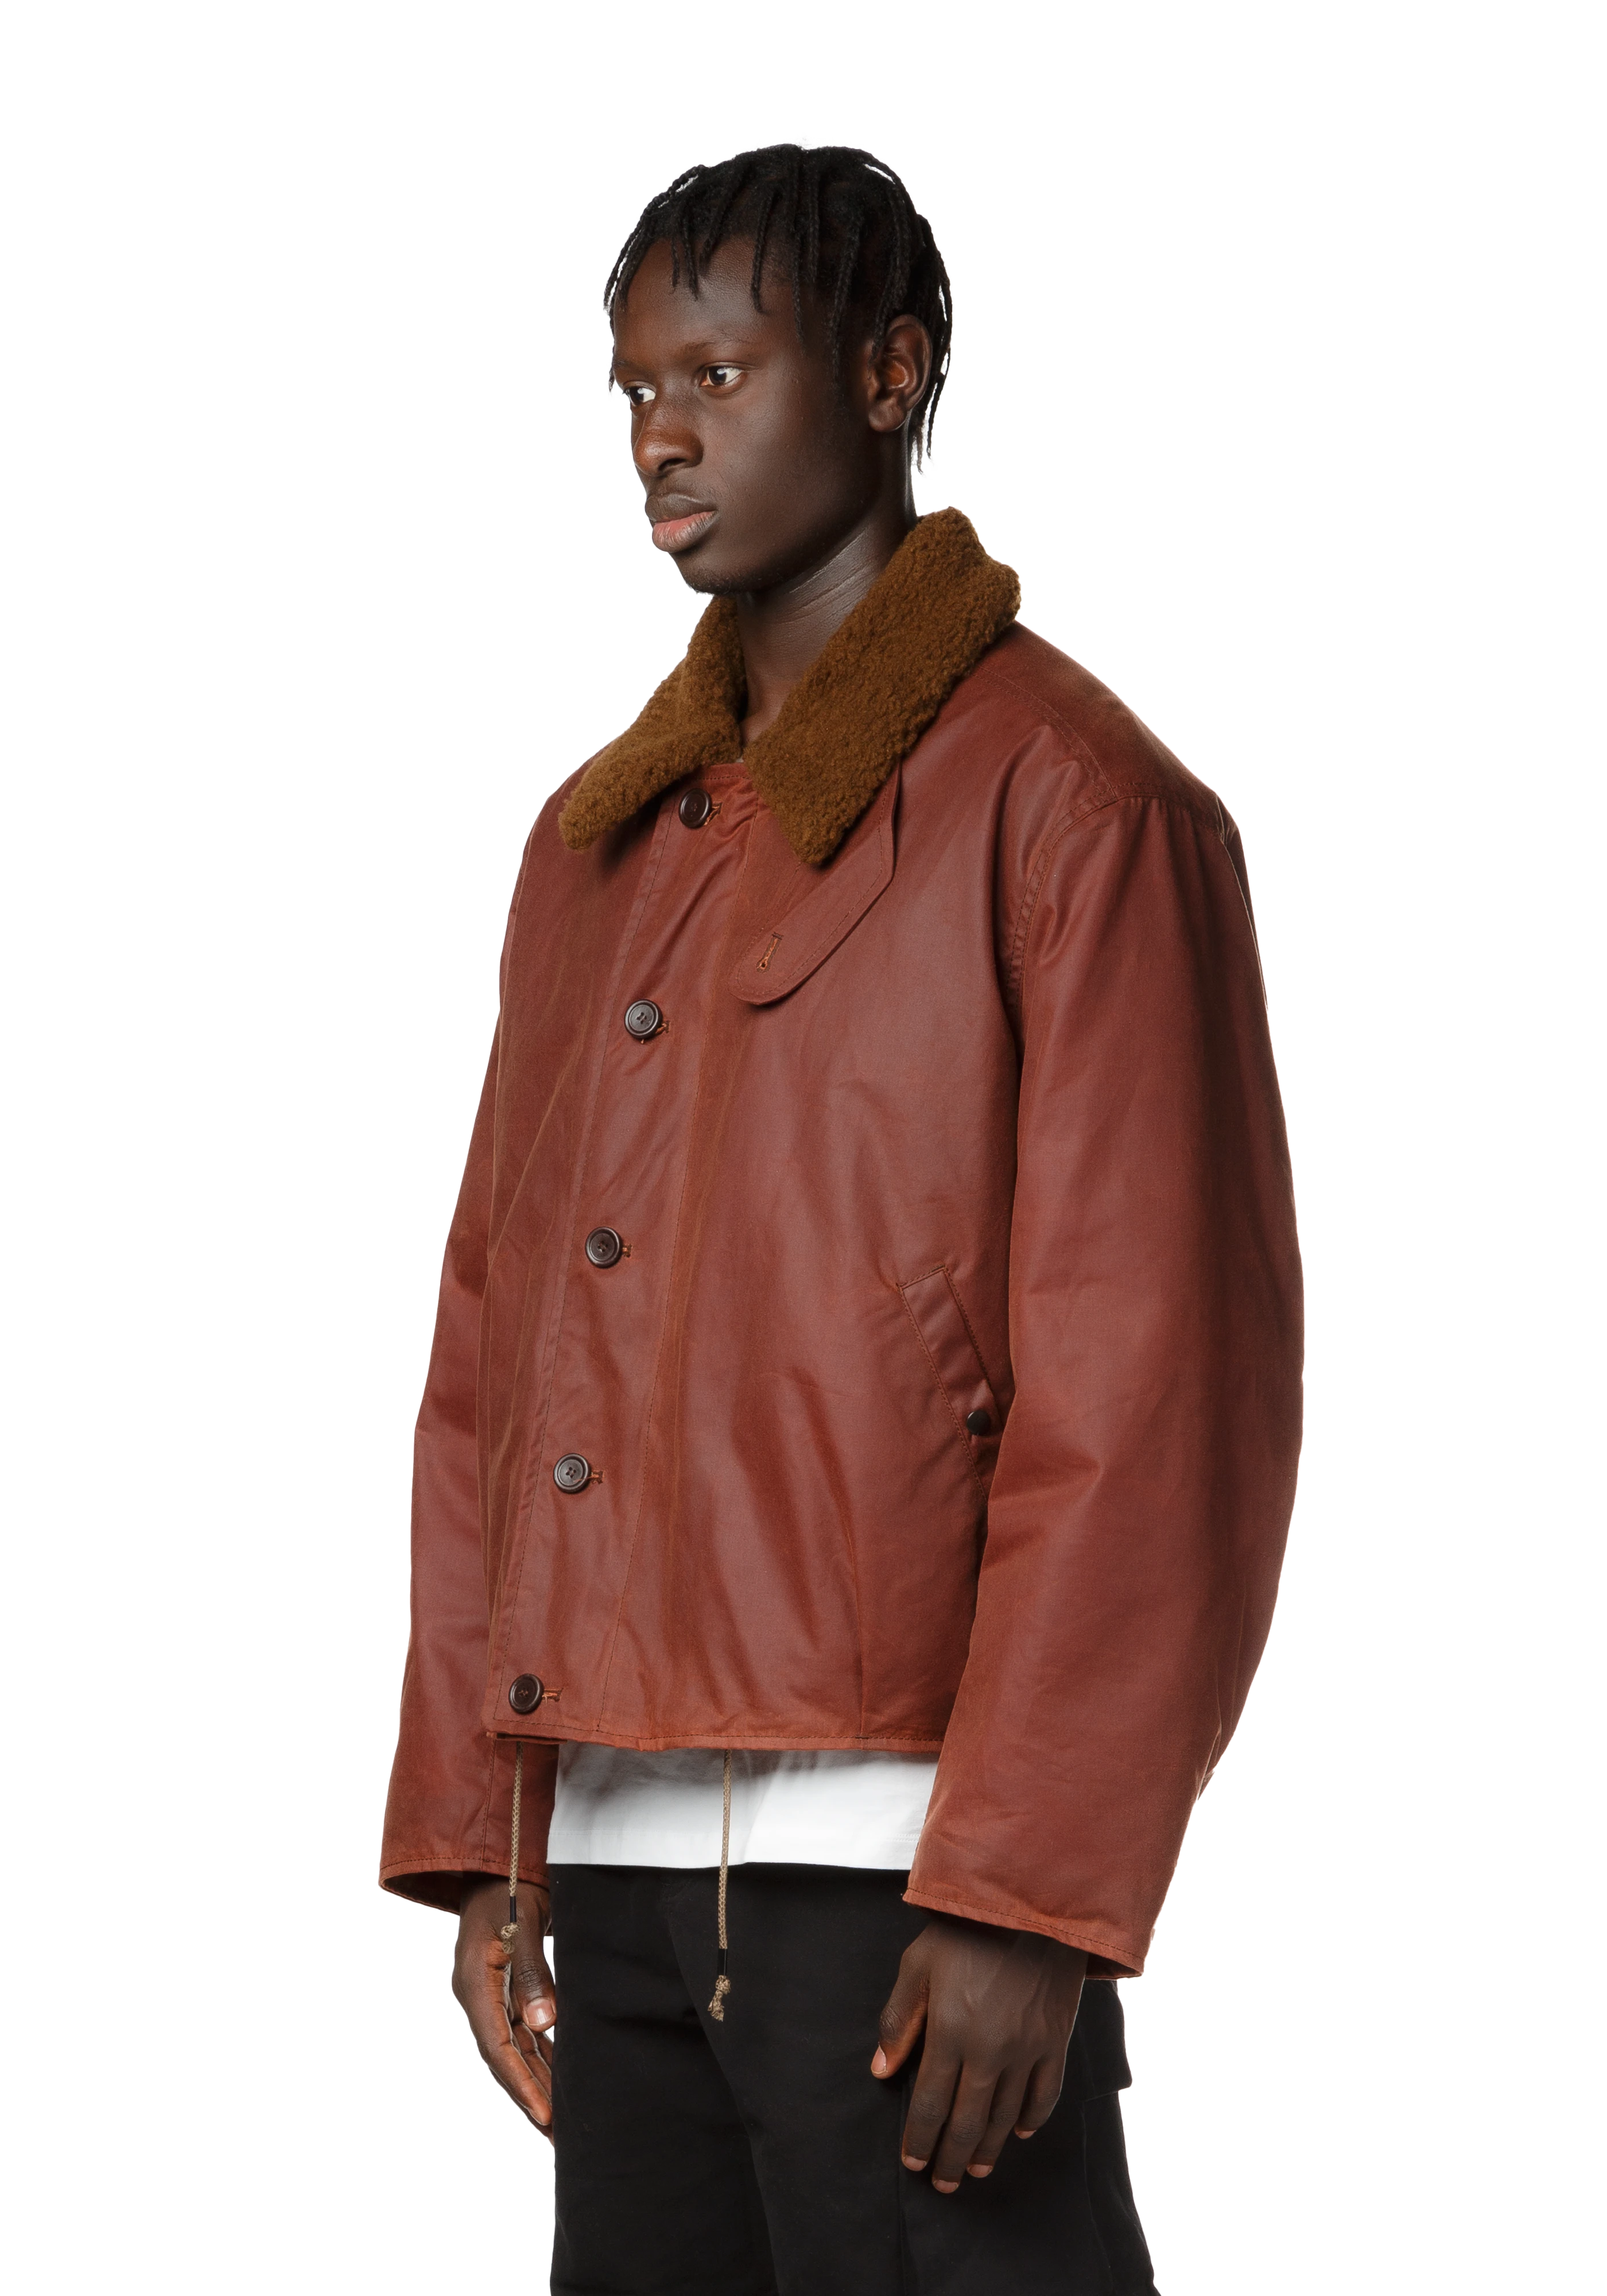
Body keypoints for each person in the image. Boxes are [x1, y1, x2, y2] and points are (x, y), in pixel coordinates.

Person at [379, 141, 1304, 2296]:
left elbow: (1158, 1388)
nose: (661, 436)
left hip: (903, 1898)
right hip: (614, 1883)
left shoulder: (1075, 809)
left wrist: (1030, 1889)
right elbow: (490, 1358)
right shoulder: (597, 847)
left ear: (889, 374)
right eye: (634, 389)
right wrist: (488, 1829)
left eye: (718, 372)